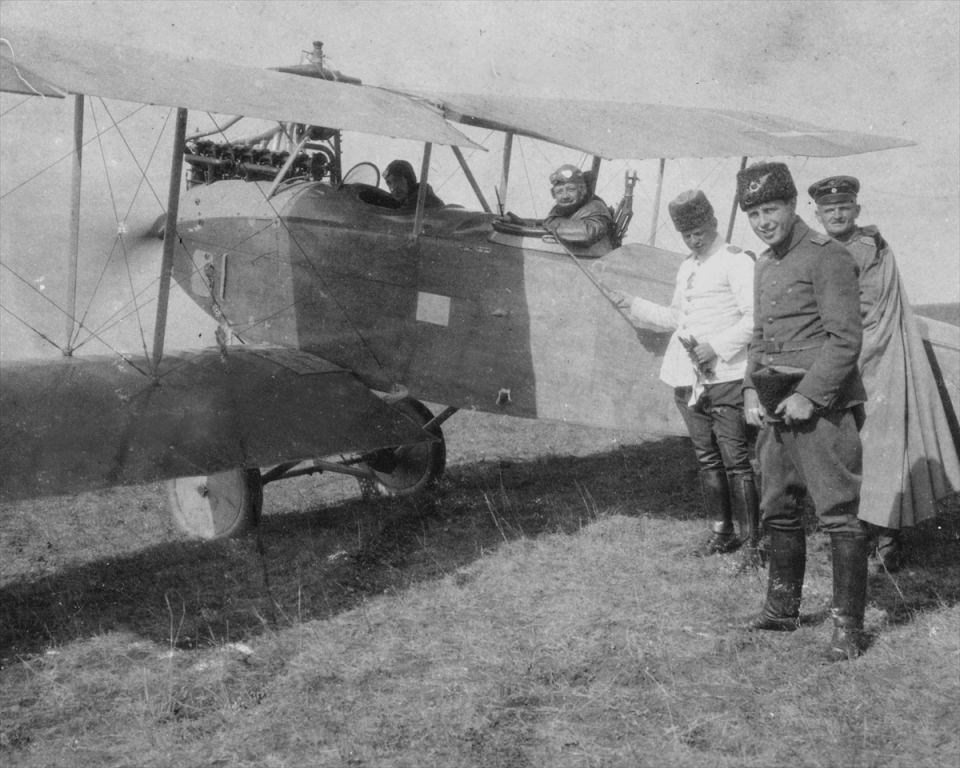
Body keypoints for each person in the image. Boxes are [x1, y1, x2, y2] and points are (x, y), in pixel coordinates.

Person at [738, 161, 870, 662]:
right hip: (774, 405)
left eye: (769, 209)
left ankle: (848, 628)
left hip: (821, 405)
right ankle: (782, 609)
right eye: (753, 213)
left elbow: (845, 340)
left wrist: (809, 396)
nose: (763, 221)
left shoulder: (827, 256)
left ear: (793, 206)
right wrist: (752, 389)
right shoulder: (764, 264)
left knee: (838, 512)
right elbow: (759, 336)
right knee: (778, 506)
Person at [809, 176, 960, 571]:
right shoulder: (823, 250)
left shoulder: (867, 247)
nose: (837, 214)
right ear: (818, 214)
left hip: (876, 362)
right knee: (846, 447)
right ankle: (858, 530)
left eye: (844, 207)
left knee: (881, 448)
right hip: (843, 361)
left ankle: (888, 538)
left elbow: (867, 310)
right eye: (829, 210)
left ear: (856, 210)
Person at [607, 190, 761, 567]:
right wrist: (633, 304)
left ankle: (755, 543)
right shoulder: (687, 267)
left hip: (726, 375)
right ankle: (721, 531)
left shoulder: (737, 262)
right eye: (687, 233)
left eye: (700, 230)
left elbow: (755, 319)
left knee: (737, 461)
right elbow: (679, 318)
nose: (695, 239)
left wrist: (716, 346)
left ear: (714, 223)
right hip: (689, 381)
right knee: (707, 459)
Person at [542, 164, 615, 256]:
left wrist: (552, 222)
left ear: (582, 190)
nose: (565, 196)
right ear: (553, 194)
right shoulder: (561, 208)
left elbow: (587, 233)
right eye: (559, 191)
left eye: (571, 189)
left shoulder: (596, 207)